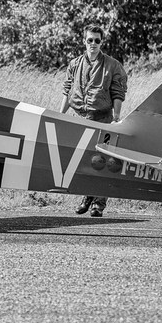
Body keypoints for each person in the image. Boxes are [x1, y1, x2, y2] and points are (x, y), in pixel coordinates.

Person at [59, 24, 128, 217]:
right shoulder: (74, 64)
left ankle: (98, 203)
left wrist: (116, 117)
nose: (93, 44)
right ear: (84, 41)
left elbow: (118, 93)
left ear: (102, 42)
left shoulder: (112, 65)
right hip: (81, 119)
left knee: (101, 161)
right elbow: (67, 90)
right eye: (90, 40)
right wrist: (60, 114)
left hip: (103, 120)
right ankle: (86, 198)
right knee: (82, 160)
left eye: (97, 40)